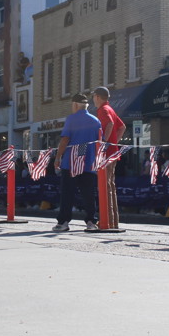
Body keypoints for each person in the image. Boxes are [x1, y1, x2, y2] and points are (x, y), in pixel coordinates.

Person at [53, 93, 102, 232]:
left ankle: (63, 222)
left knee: (67, 193)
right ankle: (91, 221)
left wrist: (58, 157)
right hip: (89, 162)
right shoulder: (96, 121)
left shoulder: (71, 119)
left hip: (70, 162)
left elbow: (65, 139)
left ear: (75, 105)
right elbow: (100, 142)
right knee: (89, 194)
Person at [91, 86, 125, 229]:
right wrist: (114, 143)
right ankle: (113, 221)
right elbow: (122, 127)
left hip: (107, 154)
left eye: (93, 96)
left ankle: (107, 221)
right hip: (113, 153)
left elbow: (110, 123)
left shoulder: (103, 110)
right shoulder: (110, 108)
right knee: (110, 186)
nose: (93, 99)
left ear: (98, 97)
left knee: (105, 186)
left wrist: (104, 143)